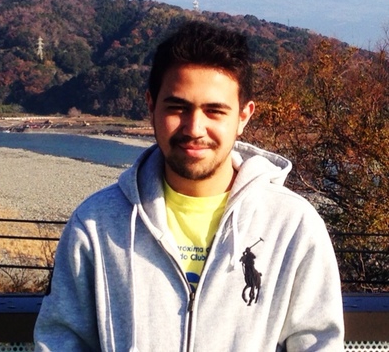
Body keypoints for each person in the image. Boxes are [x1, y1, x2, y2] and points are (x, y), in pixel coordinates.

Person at [34, 20, 344, 351]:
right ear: (151, 106)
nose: (195, 128)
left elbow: (319, 343)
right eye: (178, 108)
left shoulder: (292, 225)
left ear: (243, 116)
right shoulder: (97, 223)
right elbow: (61, 339)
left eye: (215, 111)